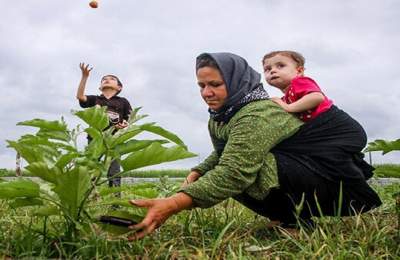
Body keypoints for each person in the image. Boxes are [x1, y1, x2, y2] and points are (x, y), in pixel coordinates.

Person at [127, 52, 381, 240]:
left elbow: (234, 170)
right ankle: (288, 217)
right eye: (202, 86)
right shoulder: (222, 115)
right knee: (231, 169)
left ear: (236, 81)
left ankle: (297, 222)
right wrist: (198, 171)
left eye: (215, 84)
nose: (206, 92)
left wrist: (172, 204)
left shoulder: (256, 114)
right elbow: (223, 151)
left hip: (328, 176)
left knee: (246, 171)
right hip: (302, 167)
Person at [76, 63, 132, 187]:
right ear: (100, 87)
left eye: (112, 79)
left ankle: (115, 202)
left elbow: (128, 120)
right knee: (90, 169)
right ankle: (90, 197)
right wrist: (84, 77)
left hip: (114, 140)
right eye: (104, 79)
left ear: (119, 87)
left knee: (114, 171)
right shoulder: (95, 99)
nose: (107, 80)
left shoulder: (123, 102)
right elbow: (80, 96)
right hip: (95, 139)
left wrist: (122, 126)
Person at [262, 50, 332, 122]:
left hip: (331, 120)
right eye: (267, 69)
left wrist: (288, 107)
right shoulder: (286, 98)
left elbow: (317, 97)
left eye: (281, 66)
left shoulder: (299, 82)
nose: (272, 71)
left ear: (299, 71)